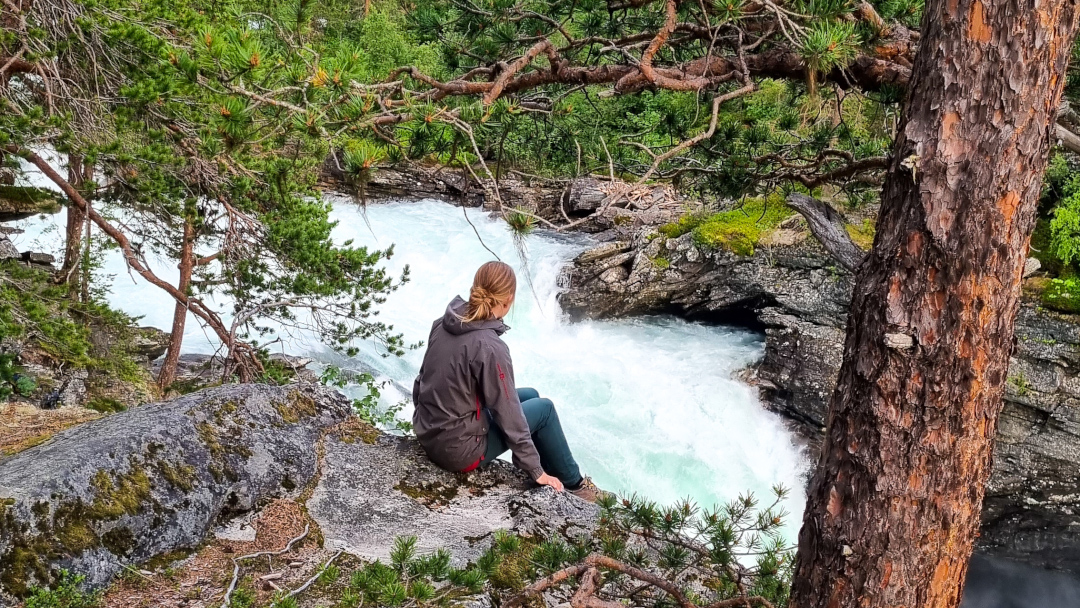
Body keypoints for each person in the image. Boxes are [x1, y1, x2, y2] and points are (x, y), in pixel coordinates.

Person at [412, 260, 602, 502]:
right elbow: (507, 411)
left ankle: (554, 470)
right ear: (508, 299)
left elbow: (422, 382)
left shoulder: (442, 323)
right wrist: (534, 469)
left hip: (429, 432)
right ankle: (575, 486)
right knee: (544, 409)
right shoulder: (489, 347)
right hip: (457, 452)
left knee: (531, 394)